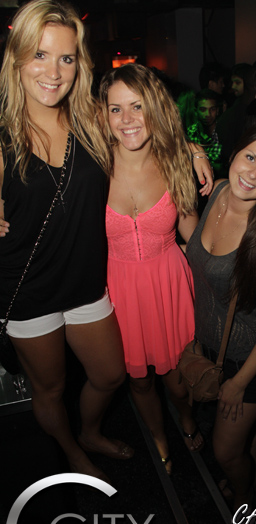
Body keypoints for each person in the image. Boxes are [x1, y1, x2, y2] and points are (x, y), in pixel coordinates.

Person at [0, 0, 132, 482]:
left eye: (66, 58)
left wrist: (193, 150)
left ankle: (91, 431)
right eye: (40, 55)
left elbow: (148, 135)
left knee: (110, 374)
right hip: (28, 289)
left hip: (85, 281)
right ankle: (71, 451)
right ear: (17, 59)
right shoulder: (2, 137)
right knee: (51, 390)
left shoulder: (91, 120)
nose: (53, 72)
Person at [98, 64, 206, 474]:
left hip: (169, 285)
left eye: (137, 106)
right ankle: (159, 435)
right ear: (103, 114)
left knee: (178, 380)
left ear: (155, 107)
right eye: (116, 109)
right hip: (117, 291)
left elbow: (193, 232)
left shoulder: (175, 161)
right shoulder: (93, 167)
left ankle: (187, 417)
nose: (127, 119)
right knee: (139, 380)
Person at [186, 122, 256, 510]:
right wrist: (194, 149)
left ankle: (246, 499)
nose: (252, 173)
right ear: (234, 154)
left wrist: (238, 383)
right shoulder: (216, 191)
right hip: (213, 345)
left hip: (249, 362)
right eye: (250, 157)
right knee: (247, 435)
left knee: (226, 451)